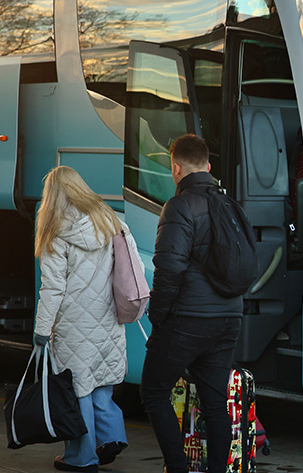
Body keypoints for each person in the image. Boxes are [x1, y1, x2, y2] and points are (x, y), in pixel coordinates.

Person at [140, 134, 243, 473]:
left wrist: (159, 316)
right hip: (229, 317)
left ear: (176, 168)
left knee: (154, 391)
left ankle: (177, 467)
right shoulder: (231, 204)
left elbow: (169, 267)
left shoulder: (179, 206)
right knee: (215, 404)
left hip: (188, 319)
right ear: (209, 167)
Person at [32, 166, 130, 473]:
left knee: (78, 390)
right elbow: (131, 269)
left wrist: (41, 331)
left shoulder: (55, 231)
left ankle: (81, 457)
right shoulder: (111, 221)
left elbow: (53, 288)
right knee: (101, 382)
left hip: (74, 325)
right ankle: (111, 438)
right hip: (109, 317)